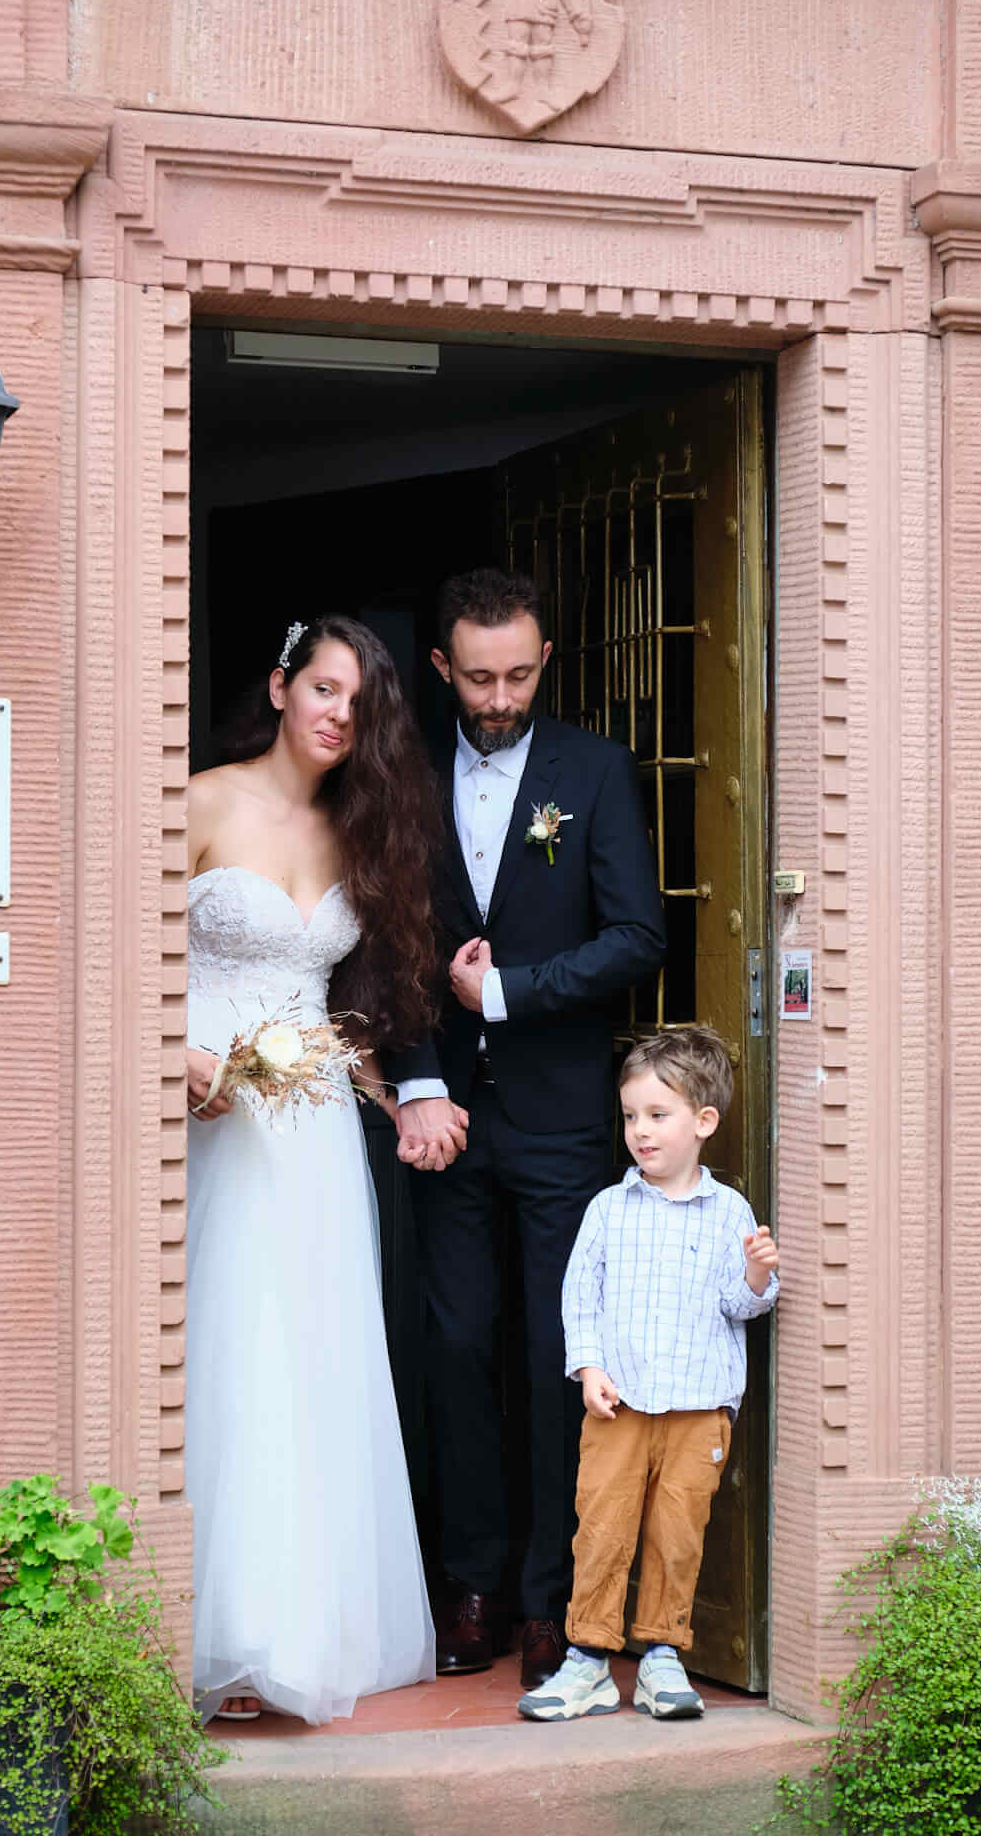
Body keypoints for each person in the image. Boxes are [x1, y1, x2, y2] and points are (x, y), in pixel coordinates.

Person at [388, 569, 667, 1690]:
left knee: (562, 1354)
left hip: (557, 1117)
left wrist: (508, 993)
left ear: (544, 659)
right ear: (442, 667)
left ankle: (553, 1599)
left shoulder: (593, 771)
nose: (499, 698)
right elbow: (382, 938)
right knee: (456, 1344)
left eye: (517, 674)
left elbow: (638, 933)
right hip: (445, 1114)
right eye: (478, 678)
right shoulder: (404, 776)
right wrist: (416, 1077)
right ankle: (473, 1584)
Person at [184, 615, 444, 1724]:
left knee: (317, 1356)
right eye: (324, 688)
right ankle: (231, 1637)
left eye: (359, 702)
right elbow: (121, 944)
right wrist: (182, 1054)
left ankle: (312, 1628)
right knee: (236, 1348)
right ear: (280, 686)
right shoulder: (201, 801)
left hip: (317, 1128)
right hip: (216, 1116)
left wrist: (401, 1098)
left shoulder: (354, 834)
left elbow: (342, 1009)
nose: (339, 713)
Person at [519, 1027, 779, 1724]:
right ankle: (588, 1660)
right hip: (620, 1404)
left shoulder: (729, 1212)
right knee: (601, 1527)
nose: (640, 1130)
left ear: (703, 1122)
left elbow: (739, 1305)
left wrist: (757, 1274)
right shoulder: (609, 1208)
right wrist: (589, 1368)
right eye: (631, 1115)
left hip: (699, 1408)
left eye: (658, 1115)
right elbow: (579, 1297)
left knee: (678, 1533)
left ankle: (663, 1656)